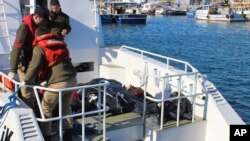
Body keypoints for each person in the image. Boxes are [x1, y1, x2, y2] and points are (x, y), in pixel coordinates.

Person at [23, 26, 77, 141]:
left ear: (37, 36)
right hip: (72, 79)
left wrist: (26, 81)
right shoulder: (59, 42)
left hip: (58, 83)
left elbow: (34, 66)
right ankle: (68, 136)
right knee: (66, 107)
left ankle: (46, 137)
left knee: (46, 109)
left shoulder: (39, 46)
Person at [8, 7, 50, 107]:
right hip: (24, 65)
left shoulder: (38, 26)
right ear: (36, 17)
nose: (43, 23)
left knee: (33, 89)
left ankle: (34, 107)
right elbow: (16, 47)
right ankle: (31, 113)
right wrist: (13, 70)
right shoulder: (24, 27)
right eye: (43, 20)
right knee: (27, 92)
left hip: (33, 63)